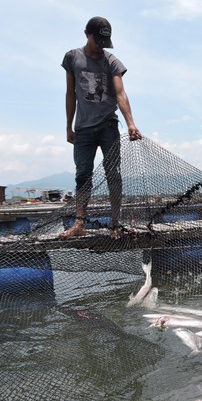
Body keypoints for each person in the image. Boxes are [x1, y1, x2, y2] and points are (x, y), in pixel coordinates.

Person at [59, 16, 142, 240]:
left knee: (113, 174)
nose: (101, 46)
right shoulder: (72, 58)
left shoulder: (111, 61)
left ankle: (116, 223)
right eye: (98, 40)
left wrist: (131, 123)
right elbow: (70, 94)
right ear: (87, 34)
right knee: (83, 174)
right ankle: (79, 224)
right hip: (83, 128)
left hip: (108, 126)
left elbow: (120, 93)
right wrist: (69, 126)